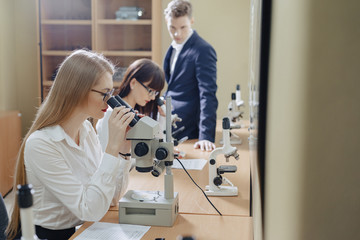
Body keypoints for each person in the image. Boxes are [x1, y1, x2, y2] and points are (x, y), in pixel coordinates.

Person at [6, 49, 135, 240]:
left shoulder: (86, 130)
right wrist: (111, 148)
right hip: (48, 235)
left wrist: (124, 149)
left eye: (112, 93)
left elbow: (110, 199)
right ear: (77, 91)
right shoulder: (41, 144)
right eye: (104, 94)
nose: (111, 102)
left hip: (83, 228)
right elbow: (89, 210)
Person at [163, 0, 218, 152]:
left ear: (191, 21)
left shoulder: (203, 50)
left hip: (190, 129)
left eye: (183, 27)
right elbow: (173, 88)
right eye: (172, 28)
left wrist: (206, 135)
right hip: (168, 124)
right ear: (167, 21)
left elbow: (207, 94)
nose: (177, 34)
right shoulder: (173, 47)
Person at [96, 58, 165, 151]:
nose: (153, 98)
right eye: (150, 91)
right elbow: (106, 157)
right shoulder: (111, 114)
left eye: (155, 93)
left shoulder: (137, 113)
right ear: (133, 83)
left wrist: (163, 117)